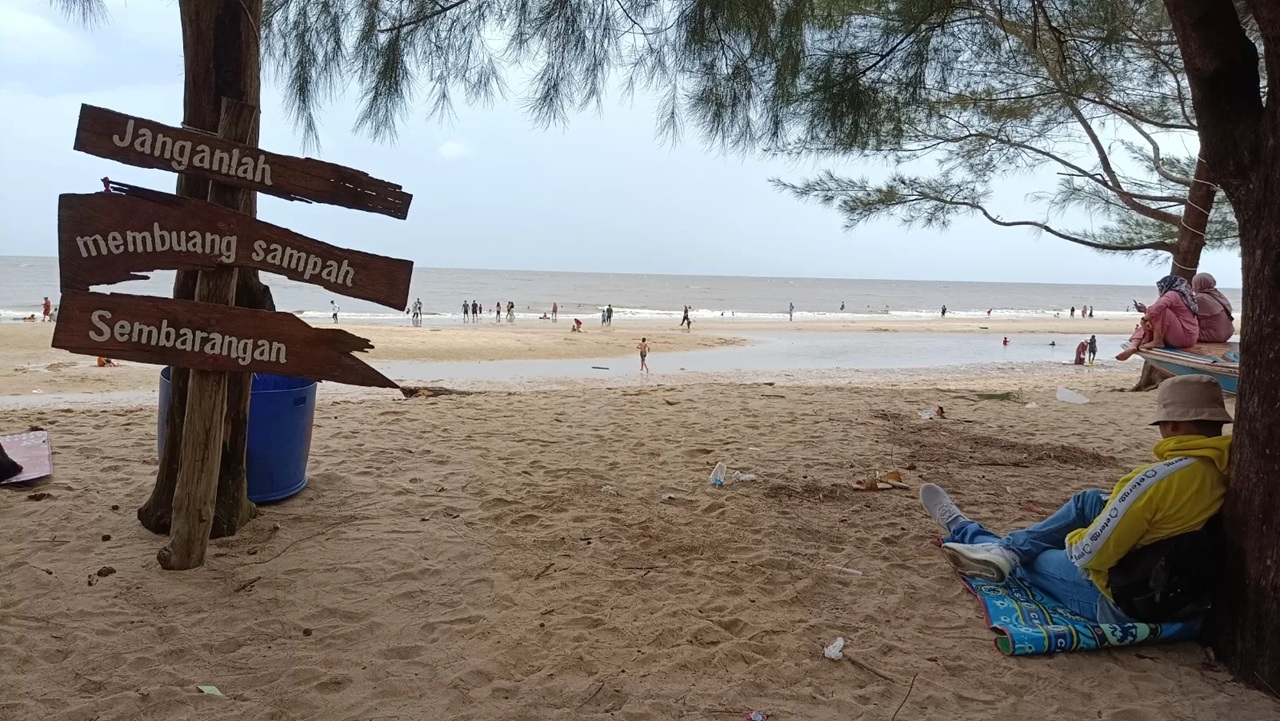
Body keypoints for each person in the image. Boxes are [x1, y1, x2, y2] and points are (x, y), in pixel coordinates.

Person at [919, 375, 1232, 623]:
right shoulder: (1223, 468)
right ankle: (1007, 549)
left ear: (1172, 425)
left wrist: (1070, 539)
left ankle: (967, 530)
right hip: (1177, 580)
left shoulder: (1156, 480)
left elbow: (1090, 555)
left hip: (1122, 597)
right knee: (1090, 501)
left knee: (1035, 556)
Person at [1117, 275, 1200, 360]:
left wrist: (1144, 319)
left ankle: (1157, 341)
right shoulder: (1185, 297)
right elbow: (1156, 314)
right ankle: (1133, 346)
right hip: (1187, 337)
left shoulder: (1173, 294)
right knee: (1146, 325)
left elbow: (1157, 308)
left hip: (1183, 337)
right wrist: (1145, 311)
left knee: (1159, 310)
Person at [1192, 273, 1235, 343]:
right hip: (1227, 333)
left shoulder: (1201, 298)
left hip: (1214, 336)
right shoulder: (1218, 294)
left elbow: (1186, 314)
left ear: (1198, 284)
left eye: (1194, 284)